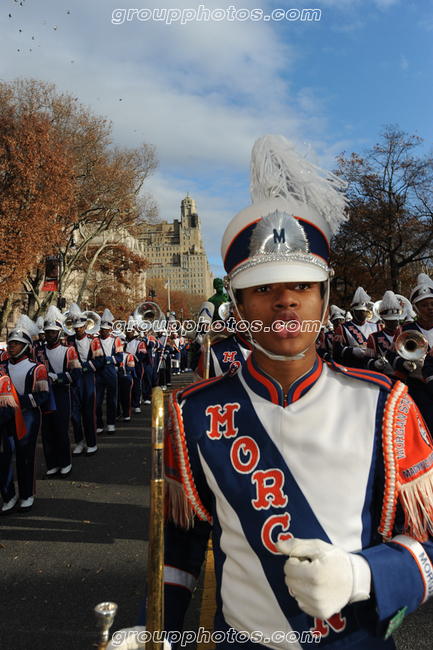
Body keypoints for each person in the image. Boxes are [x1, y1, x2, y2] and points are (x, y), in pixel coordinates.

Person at [145, 135, 433, 650]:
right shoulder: (194, 412)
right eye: (264, 289)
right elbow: (182, 545)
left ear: (324, 299)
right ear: (237, 307)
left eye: (301, 286)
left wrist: (361, 576)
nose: (285, 303)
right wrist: (161, 634)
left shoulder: (384, 404)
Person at [0, 315, 54, 513]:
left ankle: (26, 494)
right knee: (3, 457)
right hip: (5, 417)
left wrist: (15, 401)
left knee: (25, 456)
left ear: (25, 346)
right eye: (11, 343)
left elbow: (41, 396)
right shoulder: (2, 366)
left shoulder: (37, 368)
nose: (11, 346)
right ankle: (8, 495)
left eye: (16, 343)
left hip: (28, 416)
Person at [34, 305, 82, 478]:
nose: (49, 335)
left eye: (53, 332)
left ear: (59, 333)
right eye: (47, 332)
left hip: (61, 394)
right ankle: (52, 464)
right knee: (46, 431)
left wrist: (58, 377)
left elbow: (76, 374)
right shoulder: (38, 351)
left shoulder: (69, 350)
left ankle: (65, 463)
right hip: (44, 395)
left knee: (61, 430)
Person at [66, 302, 104, 456]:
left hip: (88, 379)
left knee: (88, 413)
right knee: (74, 414)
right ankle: (79, 442)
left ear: (84, 326)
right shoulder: (68, 341)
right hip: (74, 380)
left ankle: (91, 443)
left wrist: (83, 366)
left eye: (80, 327)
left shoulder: (93, 340)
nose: (78, 330)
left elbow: (100, 361)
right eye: (75, 328)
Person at [332, 287, 381, 367]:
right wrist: (353, 351)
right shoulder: (342, 328)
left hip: (372, 367)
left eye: (364, 311)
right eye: (359, 311)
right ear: (352, 312)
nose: (362, 313)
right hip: (353, 367)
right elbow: (337, 351)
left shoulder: (376, 326)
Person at [96, 309, 123, 434]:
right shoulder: (95, 339)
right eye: (102, 328)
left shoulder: (116, 340)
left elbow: (119, 358)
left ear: (110, 329)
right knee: (97, 400)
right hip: (98, 372)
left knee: (112, 398)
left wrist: (106, 360)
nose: (103, 331)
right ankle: (99, 423)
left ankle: (111, 423)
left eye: (106, 329)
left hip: (110, 370)